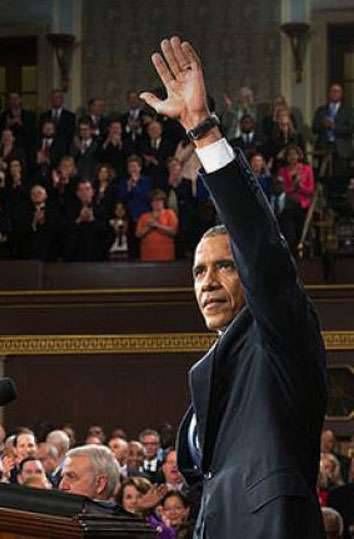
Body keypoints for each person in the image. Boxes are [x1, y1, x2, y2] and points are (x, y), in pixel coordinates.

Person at [140, 36, 327, 538]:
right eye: (199, 272)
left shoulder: (279, 334)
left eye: (224, 267)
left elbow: (260, 244)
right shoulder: (212, 365)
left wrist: (202, 130)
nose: (208, 282)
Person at [136, 189, 178, 262]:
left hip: (166, 256)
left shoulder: (170, 214)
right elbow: (138, 234)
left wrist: (157, 225)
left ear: (163, 202)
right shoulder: (144, 216)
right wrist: (149, 227)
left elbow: (173, 232)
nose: (157, 203)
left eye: (159, 201)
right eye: (154, 201)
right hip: (147, 256)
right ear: (151, 203)